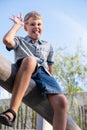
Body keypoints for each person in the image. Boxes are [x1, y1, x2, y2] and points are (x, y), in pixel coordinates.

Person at [0, 11, 67, 130]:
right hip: (26, 68)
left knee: (62, 102)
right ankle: (12, 112)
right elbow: (6, 40)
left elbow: (50, 66)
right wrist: (17, 25)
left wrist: (52, 85)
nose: (36, 27)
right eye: (32, 24)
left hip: (44, 75)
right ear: (26, 27)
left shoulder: (48, 45)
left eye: (39, 24)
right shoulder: (20, 41)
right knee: (31, 60)